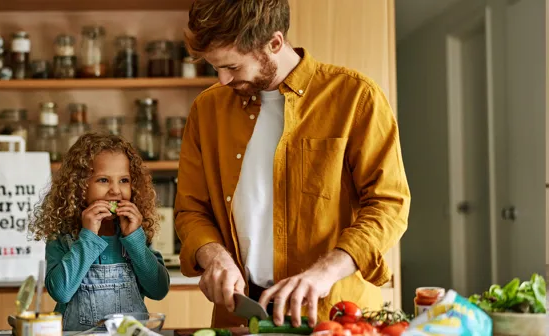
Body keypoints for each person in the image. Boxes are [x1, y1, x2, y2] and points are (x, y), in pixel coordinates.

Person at [174, 0, 411, 329]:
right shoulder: (207, 109)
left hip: (335, 315)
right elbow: (191, 209)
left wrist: (324, 273)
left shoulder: (356, 97)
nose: (223, 80)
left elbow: (389, 204)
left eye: (232, 67)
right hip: (241, 314)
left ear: (274, 43)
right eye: (215, 68)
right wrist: (213, 255)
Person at [30, 133, 170, 331]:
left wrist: (135, 240)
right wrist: (88, 237)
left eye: (124, 180)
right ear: (79, 187)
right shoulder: (63, 236)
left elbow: (158, 289)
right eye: (103, 180)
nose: (115, 191)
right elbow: (60, 292)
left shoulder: (135, 234)